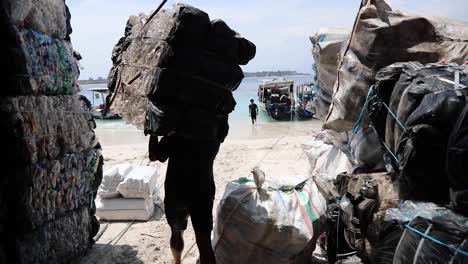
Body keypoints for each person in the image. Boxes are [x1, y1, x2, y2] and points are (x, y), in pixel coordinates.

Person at [149, 116, 229, 264]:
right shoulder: (214, 134)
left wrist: (153, 131)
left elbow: (155, 156)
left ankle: (177, 261)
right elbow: (223, 126)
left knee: (176, 232)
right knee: (204, 243)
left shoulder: (176, 135)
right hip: (203, 191)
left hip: (176, 191)